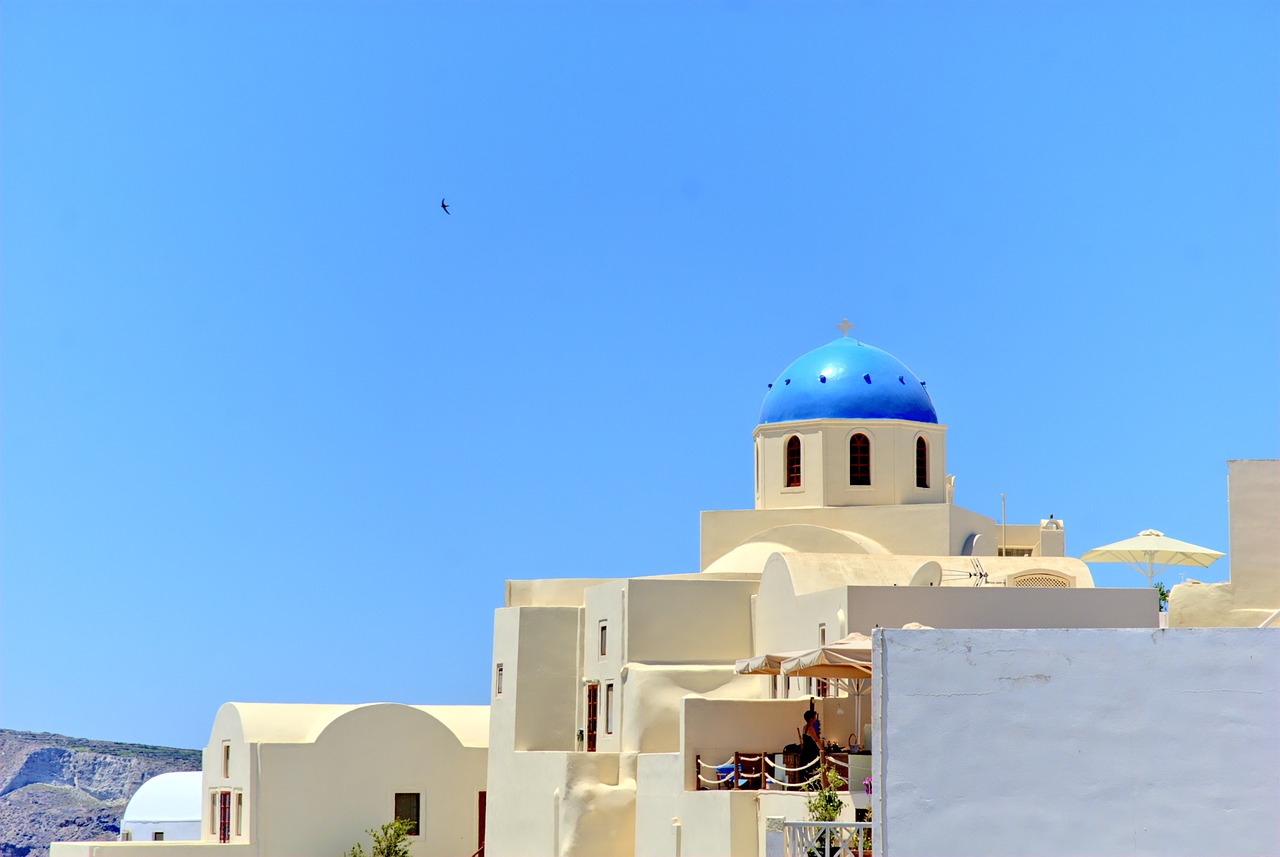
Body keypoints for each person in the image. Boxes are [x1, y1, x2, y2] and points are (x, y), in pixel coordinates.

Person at [798, 709, 822, 784]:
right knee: (812, 771)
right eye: (814, 717)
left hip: (806, 752)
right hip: (810, 753)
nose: (815, 718)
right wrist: (822, 749)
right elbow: (816, 740)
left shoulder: (805, 727)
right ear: (811, 719)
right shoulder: (810, 728)